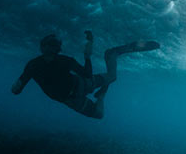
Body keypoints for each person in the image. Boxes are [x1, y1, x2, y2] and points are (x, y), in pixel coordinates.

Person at [12, 30, 156, 119]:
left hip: (75, 92)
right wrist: (87, 54)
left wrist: (88, 52)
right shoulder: (62, 60)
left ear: (43, 47)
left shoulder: (33, 65)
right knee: (100, 111)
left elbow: (16, 90)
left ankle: (111, 57)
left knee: (109, 84)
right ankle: (110, 61)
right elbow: (87, 74)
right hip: (77, 91)